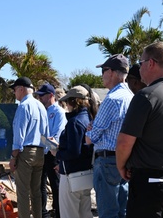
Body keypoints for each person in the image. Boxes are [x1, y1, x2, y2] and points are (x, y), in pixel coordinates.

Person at [116, 41, 163, 218]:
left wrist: (121, 166)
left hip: (151, 182)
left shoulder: (146, 96)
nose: (139, 69)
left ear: (151, 63)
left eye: (141, 62)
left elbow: (124, 143)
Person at [85, 54, 133, 218]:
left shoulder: (111, 99)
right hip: (125, 161)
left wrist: (89, 131)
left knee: (108, 213)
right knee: (122, 211)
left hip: (107, 162)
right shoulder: (131, 97)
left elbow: (92, 137)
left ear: (112, 72)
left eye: (103, 71)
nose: (102, 75)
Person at [51, 84, 98, 218]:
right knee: (85, 213)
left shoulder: (74, 122)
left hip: (71, 175)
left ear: (73, 101)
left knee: (69, 214)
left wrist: (58, 153)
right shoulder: (88, 118)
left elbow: (73, 152)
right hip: (86, 174)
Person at [9, 77, 49, 218]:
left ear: (21, 89)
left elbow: (19, 135)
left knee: (23, 192)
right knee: (36, 192)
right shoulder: (41, 106)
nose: (14, 93)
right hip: (40, 152)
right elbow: (46, 134)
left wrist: (13, 157)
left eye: (15, 90)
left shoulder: (24, 106)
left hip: (26, 151)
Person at [34, 83, 66, 218]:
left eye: (42, 96)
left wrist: (42, 139)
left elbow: (56, 137)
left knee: (56, 185)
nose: (40, 98)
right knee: (40, 184)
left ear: (51, 96)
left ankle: (58, 212)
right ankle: (43, 213)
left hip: (53, 153)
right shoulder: (42, 111)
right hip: (42, 152)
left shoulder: (59, 112)